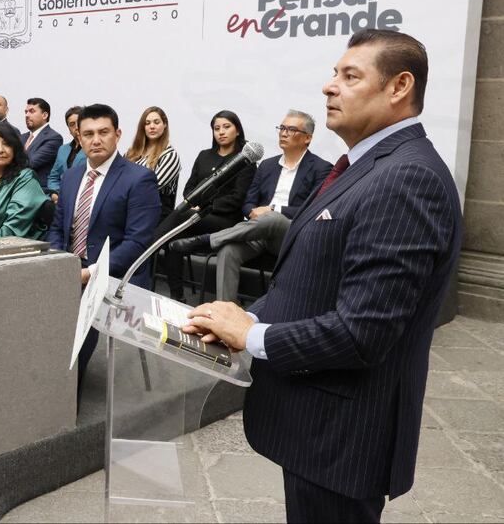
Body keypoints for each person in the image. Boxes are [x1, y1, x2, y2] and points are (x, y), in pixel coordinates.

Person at [183, 30, 462, 524]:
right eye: (334, 74)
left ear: (399, 87)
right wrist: (242, 316)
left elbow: (364, 333)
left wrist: (253, 335)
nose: (329, 87)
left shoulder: (404, 178)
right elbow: (310, 280)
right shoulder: (364, 166)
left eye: (349, 76)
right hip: (317, 423)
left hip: (343, 435)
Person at [49, 104, 161, 393]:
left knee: (74, 319)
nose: (95, 140)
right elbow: (57, 228)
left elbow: (138, 243)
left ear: (117, 134)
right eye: (88, 134)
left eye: (103, 132)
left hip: (113, 273)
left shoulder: (139, 179)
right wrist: (56, 264)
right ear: (78, 137)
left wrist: (89, 274)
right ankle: (42, 385)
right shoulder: (72, 175)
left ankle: (67, 394)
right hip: (70, 266)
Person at [170, 110, 332, 302]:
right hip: (259, 231)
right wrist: (253, 212)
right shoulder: (267, 165)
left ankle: (207, 239)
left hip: (291, 236)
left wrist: (273, 210)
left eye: (291, 129)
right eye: (282, 128)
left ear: (307, 138)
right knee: (228, 250)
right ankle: (224, 308)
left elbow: (313, 209)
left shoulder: (322, 168)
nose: (283, 133)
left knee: (272, 217)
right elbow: (248, 203)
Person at [157, 110, 256, 300]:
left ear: (237, 131)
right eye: (216, 128)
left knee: (179, 217)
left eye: (226, 127)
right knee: (172, 241)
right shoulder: (204, 155)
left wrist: (202, 206)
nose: (221, 132)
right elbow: (189, 189)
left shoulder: (244, 161)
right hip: (196, 218)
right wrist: (196, 205)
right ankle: (176, 296)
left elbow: (237, 198)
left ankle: (150, 244)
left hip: (224, 220)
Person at [125, 106, 181, 218]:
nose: (152, 126)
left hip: (153, 213)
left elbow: (151, 187)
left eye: (156, 122)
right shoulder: (131, 153)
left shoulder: (170, 155)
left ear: (165, 125)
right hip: (128, 209)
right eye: (147, 123)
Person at [20, 97, 63, 191]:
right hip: (16, 190)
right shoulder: (21, 138)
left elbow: (31, 163)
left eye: (32, 111)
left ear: (44, 115)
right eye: (26, 112)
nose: (27, 115)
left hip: (39, 193)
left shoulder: (54, 138)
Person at [47, 106, 86, 202]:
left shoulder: (94, 148)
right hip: (60, 198)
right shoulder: (63, 149)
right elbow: (53, 177)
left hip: (82, 199)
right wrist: (55, 193)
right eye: (72, 124)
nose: (76, 127)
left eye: (79, 122)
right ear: (69, 129)